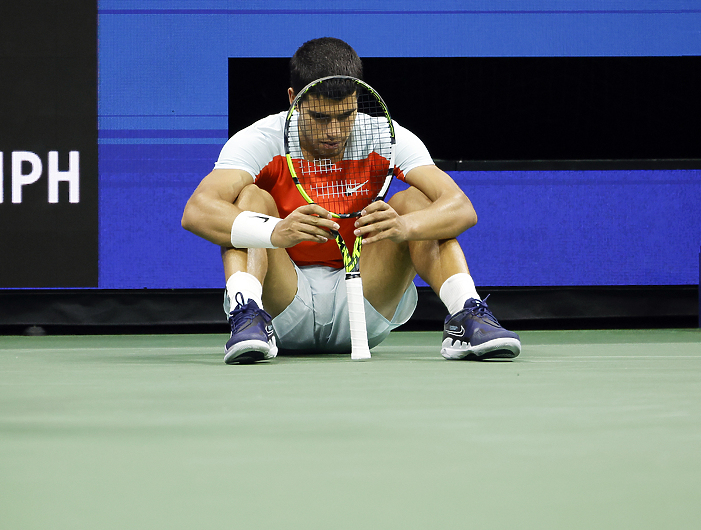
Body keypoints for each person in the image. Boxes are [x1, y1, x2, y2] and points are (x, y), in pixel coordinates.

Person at [181, 37, 520, 364]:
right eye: (320, 118)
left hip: (365, 296)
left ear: (358, 98)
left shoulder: (384, 136)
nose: (334, 131)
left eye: (346, 115)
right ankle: (248, 315)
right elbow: (197, 210)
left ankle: (468, 316)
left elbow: (461, 207)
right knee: (249, 199)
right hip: (281, 304)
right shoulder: (261, 140)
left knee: (418, 202)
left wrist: (405, 226)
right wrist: (275, 232)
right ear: (293, 100)